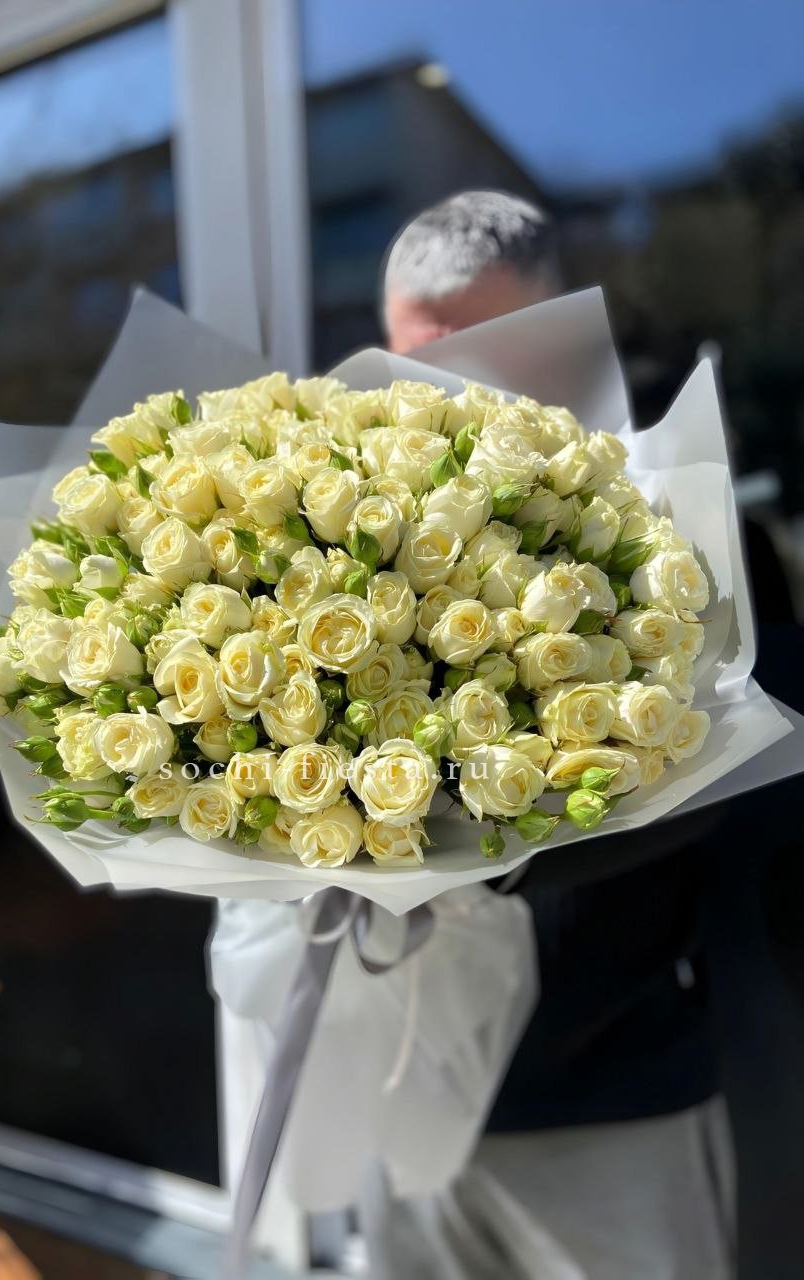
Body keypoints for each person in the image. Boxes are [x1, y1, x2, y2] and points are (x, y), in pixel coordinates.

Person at [360, 191, 737, 1280]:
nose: (447, 392)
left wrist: (503, 845)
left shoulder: (674, 517)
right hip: (401, 1091)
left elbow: (735, 764)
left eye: (480, 355)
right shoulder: (354, 531)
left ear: (561, 340)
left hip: (607, 1094)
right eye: (416, 360)